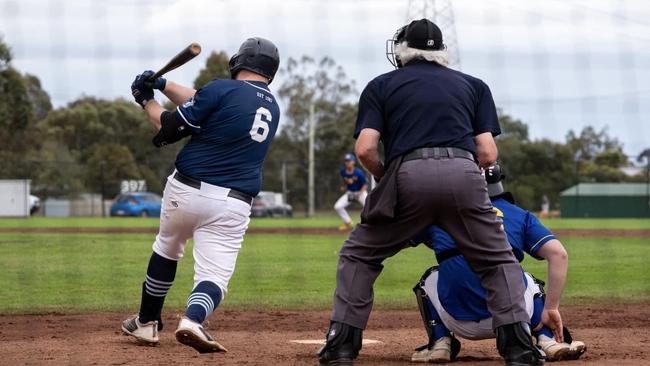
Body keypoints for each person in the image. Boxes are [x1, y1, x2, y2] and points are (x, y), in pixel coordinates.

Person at [318, 19, 544, 366]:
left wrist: (388, 177)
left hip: (408, 175)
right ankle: (519, 349)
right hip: (465, 175)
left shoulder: (381, 85)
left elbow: (365, 149)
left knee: (359, 255)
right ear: (441, 51)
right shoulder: (474, 86)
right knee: (497, 259)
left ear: (404, 49)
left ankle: (341, 347)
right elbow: (487, 153)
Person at [121, 37, 280, 353]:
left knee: (167, 248)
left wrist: (145, 98)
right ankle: (192, 321)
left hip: (185, 190)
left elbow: (167, 126)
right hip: (234, 203)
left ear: (239, 62)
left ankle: (146, 323)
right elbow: (204, 99)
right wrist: (164, 83)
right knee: (214, 275)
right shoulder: (271, 105)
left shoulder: (221, 89)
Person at [410, 165, 586, 363]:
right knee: (525, 278)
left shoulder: (439, 212)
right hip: (513, 320)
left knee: (431, 276)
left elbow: (398, 239)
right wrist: (551, 307)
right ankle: (547, 340)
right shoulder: (519, 214)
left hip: (458, 321)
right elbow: (558, 254)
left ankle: (440, 343)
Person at [334, 153, 368, 231]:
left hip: (360, 192)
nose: (347, 162)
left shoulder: (358, 172)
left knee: (369, 207)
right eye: (346, 161)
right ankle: (348, 222)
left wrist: (360, 193)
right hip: (350, 193)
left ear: (353, 162)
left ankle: (371, 224)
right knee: (338, 206)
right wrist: (344, 187)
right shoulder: (343, 172)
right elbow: (347, 182)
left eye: (349, 161)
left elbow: (365, 184)